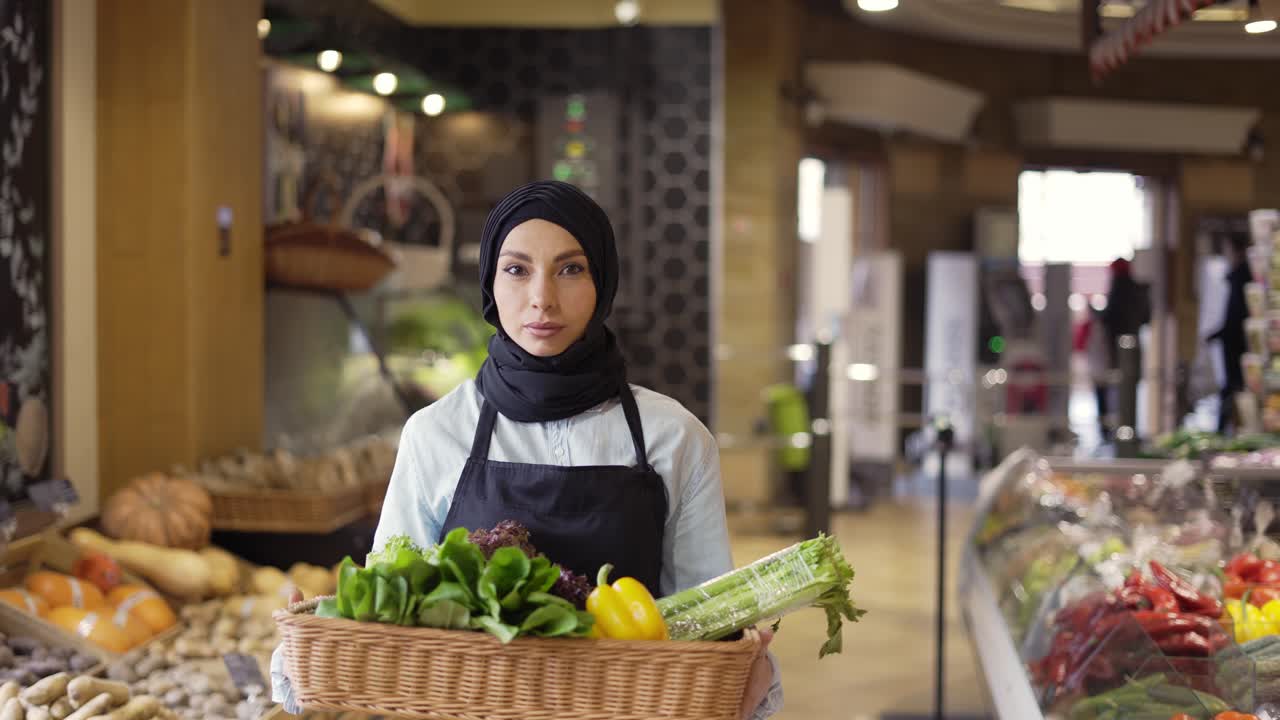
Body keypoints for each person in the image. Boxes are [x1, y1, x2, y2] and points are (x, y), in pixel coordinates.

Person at [270, 181, 783, 719]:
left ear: (603, 282)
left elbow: (706, 618)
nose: (542, 298)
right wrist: (324, 628)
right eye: (517, 270)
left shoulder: (674, 436)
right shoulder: (436, 433)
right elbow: (389, 604)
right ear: (491, 284)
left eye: (570, 269)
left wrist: (746, 664)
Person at [1097, 257, 1150, 438]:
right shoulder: (1137, 289)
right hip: (1133, 345)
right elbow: (1146, 317)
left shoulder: (1118, 288)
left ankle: (1115, 429)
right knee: (1128, 388)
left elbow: (1108, 316)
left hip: (1116, 348)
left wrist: (1094, 312)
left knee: (1113, 386)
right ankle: (1126, 427)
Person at [1206, 233, 1252, 434]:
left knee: (1234, 387)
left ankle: (1225, 430)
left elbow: (1237, 314)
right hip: (1235, 339)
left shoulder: (1241, 276)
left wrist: (1220, 334)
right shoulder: (1238, 276)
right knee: (1233, 387)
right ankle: (1226, 429)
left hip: (1237, 342)